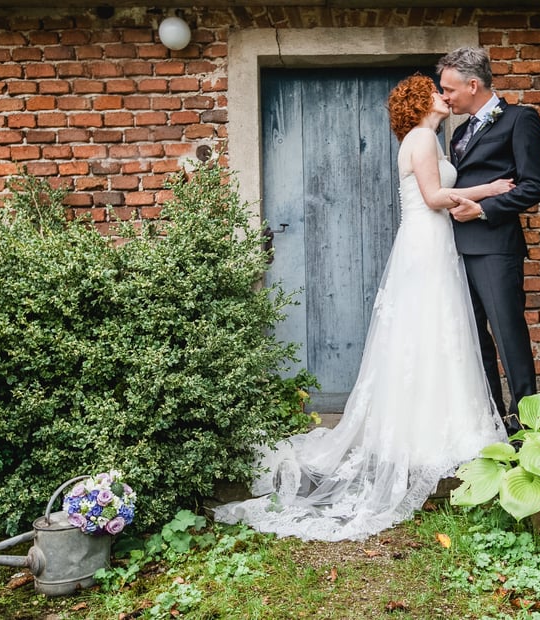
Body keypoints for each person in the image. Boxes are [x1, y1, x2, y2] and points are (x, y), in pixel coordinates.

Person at [210, 74, 513, 541]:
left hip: (433, 242)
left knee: (436, 332)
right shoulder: (420, 139)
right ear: (421, 103)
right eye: (435, 92)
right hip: (426, 242)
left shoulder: (429, 139)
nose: (442, 96)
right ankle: (425, 434)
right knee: (431, 327)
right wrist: (489, 190)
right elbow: (434, 198)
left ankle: (436, 424)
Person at [436, 47, 540, 435]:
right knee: (475, 342)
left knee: (508, 336)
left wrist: (482, 210)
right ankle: (493, 425)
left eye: (449, 89)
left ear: (473, 85)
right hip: (457, 249)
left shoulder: (520, 119)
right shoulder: (460, 132)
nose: (445, 96)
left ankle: (526, 429)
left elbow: (534, 186)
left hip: (496, 248)